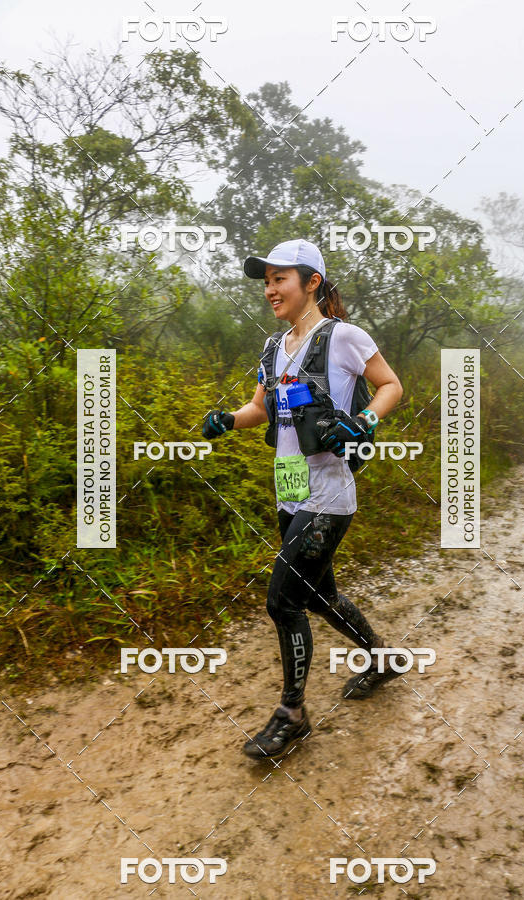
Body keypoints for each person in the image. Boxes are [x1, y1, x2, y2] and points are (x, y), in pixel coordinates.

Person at [202, 238, 404, 760]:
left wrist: (363, 421)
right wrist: (227, 420)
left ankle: (292, 714)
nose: (269, 290)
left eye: (279, 279)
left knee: (283, 600)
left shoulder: (343, 337)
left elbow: (390, 386)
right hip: (290, 487)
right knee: (318, 595)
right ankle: (381, 660)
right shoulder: (273, 349)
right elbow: (261, 410)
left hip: (330, 493)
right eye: (266, 281)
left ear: (311, 282)